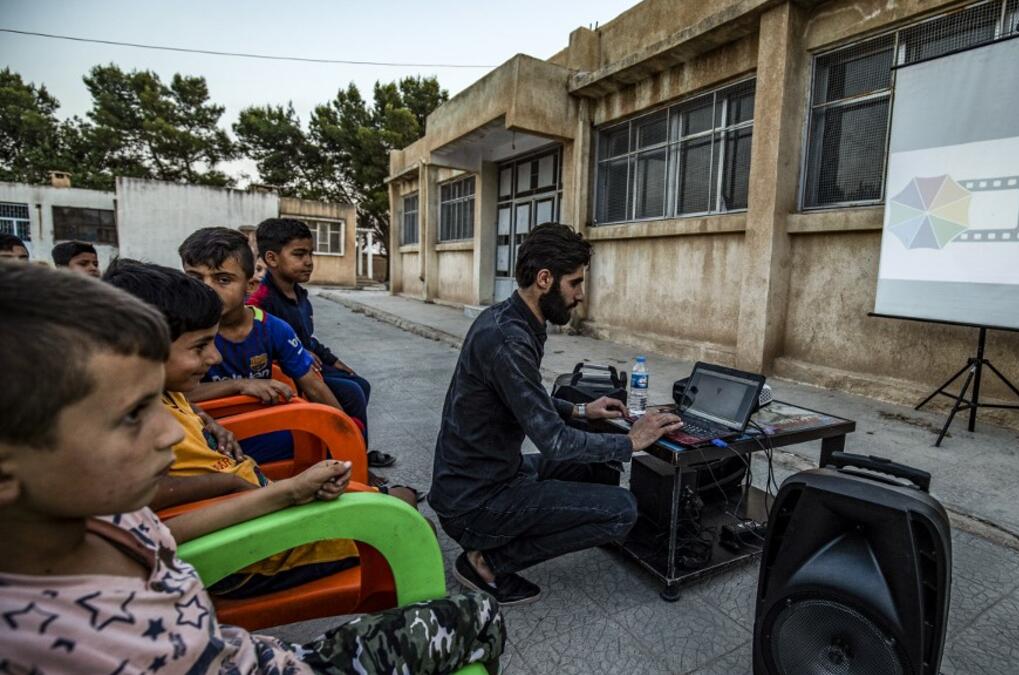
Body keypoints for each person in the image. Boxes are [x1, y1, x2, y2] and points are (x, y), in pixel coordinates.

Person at [0, 263, 505, 675]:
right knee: (473, 609)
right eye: (133, 414)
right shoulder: (61, 642)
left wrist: (284, 492)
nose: (170, 431)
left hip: (251, 648)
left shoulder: (100, 516)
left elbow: (167, 534)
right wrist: (246, 481)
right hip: (266, 617)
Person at [102, 259, 418, 598]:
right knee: (407, 522)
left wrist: (208, 422)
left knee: (395, 498)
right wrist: (279, 490)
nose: (215, 358)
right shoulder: (123, 437)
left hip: (260, 503)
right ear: (140, 347)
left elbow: (187, 411)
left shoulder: (157, 395)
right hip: (248, 548)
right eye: (199, 347)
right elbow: (153, 519)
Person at [430, 222, 683, 605]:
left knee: (594, 469)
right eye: (575, 283)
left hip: (491, 474)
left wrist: (583, 408)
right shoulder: (509, 340)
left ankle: (519, 534)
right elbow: (555, 442)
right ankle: (488, 562)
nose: (581, 295)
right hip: (476, 502)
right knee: (622, 511)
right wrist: (632, 441)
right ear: (545, 279)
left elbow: (525, 400)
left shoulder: (511, 320)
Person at [178, 227, 343, 464]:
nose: (206, 289)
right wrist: (240, 385)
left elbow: (315, 387)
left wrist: (346, 436)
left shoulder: (273, 328)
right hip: (198, 439)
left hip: (260, 429)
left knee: (316, 440)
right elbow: (168, 395)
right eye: (195, 278)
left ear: (250, 285)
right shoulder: (176, 330)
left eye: (223, 279)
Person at [248, 218, 396, 469]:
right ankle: (345, 456)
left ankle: (357, 448)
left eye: (310, 254)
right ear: (272, 259)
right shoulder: (260, 302)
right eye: (299, 254)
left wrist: (333, 360)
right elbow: (259, 346)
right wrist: (299, 353)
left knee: (360, 383)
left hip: (311, 363)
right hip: (290, 372)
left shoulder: (300, 295)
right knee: (352, 393)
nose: (308, 261)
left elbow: (309, 339)